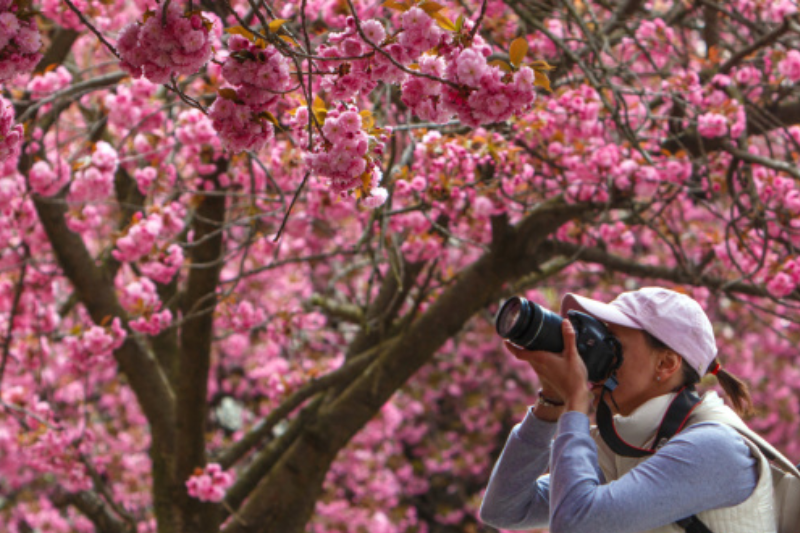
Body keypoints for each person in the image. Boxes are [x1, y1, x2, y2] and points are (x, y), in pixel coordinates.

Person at [480, 287, 776, 533]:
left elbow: (576, 525)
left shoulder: (715, 446)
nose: (594, 352)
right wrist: (552, 403)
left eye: (613, 343)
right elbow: (504, 510)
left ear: (665, 364)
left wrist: (575, 404)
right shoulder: (629, 441)